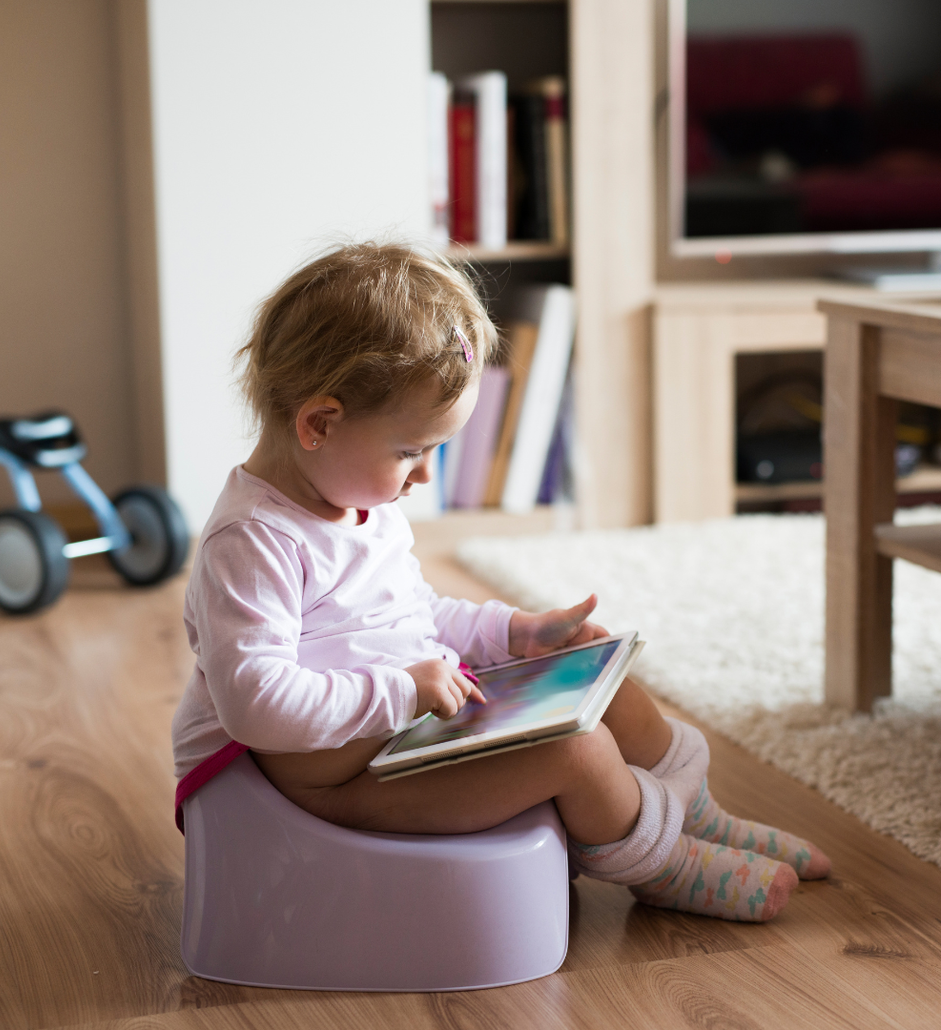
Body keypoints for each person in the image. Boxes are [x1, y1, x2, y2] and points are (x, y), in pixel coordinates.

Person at [171, 242, 830, 922]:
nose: (425, 476)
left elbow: (412, 615)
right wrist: (403, 691)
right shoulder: (252, 542)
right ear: (319, 423)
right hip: (340, 782)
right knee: (576, 753)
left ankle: (698, 816)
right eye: (411, 452)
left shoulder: (357, 504)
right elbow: (256, 704)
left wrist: (514, 634)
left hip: (409, 728)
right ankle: (661, 865)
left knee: (601, 683)